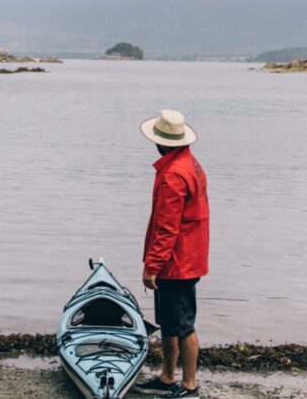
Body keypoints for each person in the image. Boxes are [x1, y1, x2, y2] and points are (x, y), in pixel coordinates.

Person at [133, 109, 210, 398]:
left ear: (160, 142)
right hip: (187, 257)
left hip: (179, 262)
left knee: (184, 325)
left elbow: (167, 228)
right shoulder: (190, 163)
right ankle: (167, 377)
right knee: (169, 321)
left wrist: (152, 266)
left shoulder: (174, 175)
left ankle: (188, 386)